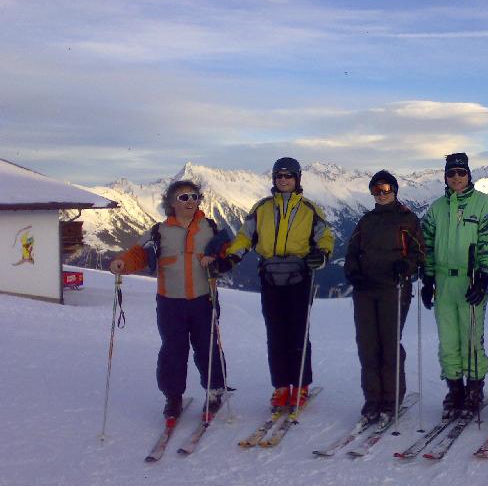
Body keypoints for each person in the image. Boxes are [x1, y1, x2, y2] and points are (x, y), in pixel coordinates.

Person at [213, 157, 333, 414]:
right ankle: (281, 387)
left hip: (300, 276)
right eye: (279, 175)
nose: (283, 180)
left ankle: (300, 385)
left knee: (298, 333)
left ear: (297, 179)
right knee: (276, 334)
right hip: (270, 277)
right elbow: (245, 236)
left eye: (288, 176)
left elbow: (324, 236)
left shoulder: (310, 209)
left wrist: (322, 254)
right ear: (274, 179)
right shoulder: (262, 208)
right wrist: (232, 256)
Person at [109, 179, 227, 419]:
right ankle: (173, 397)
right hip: (170, 303)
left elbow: (227, 254)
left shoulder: (211, 228)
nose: (190, 201)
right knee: (173, 350)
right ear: (172, 202)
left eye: (194, 196)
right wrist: (122, 263)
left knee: (208, 348)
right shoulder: (158, 231)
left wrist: (218, 260)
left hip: (203, 300)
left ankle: (215, 391)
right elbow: (138, 254)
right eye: (184, 197)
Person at [421, 153, 488, 418]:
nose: (456, 177)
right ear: (445, 177)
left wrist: (484, 276)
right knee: (448, 341)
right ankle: (455, 390)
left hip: (471, 280)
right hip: (443, 282)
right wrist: (428, 278)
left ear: (469, 175)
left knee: (471, 339)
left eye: (461, 172)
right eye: (451, 173)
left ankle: (474, 389)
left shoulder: (483, 204)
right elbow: (427, 244)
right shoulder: (436, 208)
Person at [344, 170, 425, 421]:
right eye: (375, 190)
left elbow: (419, 252)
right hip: (366, 289)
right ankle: (373, 400)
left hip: (394, 287)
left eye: (385, 189)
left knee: (389, 344)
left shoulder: (408, 219)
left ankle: (391, 400)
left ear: (394, 191)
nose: (380, 194)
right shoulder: (366, 220)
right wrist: (353, 273)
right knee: (367, 345)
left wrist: (406, 266)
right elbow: (352, 251)